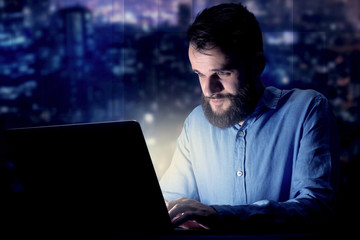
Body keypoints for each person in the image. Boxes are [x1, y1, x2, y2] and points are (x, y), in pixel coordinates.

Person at [159, 3, 339, 231]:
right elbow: (169, 205)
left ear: (257, 65)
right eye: (200, 74)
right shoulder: (195, 124)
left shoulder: (308, 109)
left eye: (222, 73)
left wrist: (218, 216)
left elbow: (316, 208)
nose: (208, 89)